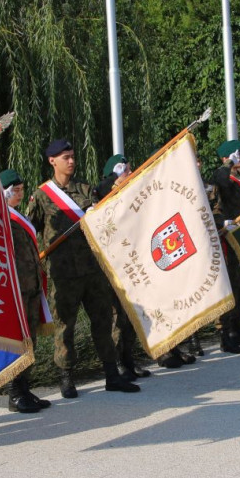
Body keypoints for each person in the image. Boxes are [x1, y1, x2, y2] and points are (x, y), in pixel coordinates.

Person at [25, 139, 140, 398]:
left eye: (73, 155)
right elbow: (30, 231)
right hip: (63, 274)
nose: (71, 161)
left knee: (102, 321)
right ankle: (66, 377)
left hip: (92, 269)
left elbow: (108, 215)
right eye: (66, 157)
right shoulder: (42, 195)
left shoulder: (86, 189)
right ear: (52, 160)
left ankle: (112, 374)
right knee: (65, 326)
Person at [94, 155, 158, 376]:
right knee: (117, 318)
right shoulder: (104, 193)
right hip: (113, 264)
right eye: (127, 171)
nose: (131, 175)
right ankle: (118, 363)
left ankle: (128, 359)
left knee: (130, 316)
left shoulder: (131, 193)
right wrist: (113, 182)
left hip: (132, 260)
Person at [0, 168, 53, 413]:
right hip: (15, 289)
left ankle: (24, 388)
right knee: (17, 341)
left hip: (30, 286)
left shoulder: (18, 217)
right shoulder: (0, 220)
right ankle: (13, 393)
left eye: (22, 190)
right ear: (4, 192)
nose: (20, 194)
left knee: (30, 340)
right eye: (15, 190)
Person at [211, 139, 240, 353]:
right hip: (227, 237)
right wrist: (227, 163)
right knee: (231, 284)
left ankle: (238, 327)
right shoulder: (225, 178)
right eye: (235, 154)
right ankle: (225, 332)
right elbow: (218, 181)